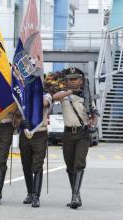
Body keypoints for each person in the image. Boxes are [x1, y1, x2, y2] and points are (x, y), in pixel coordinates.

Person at [52, 67, 98, 209]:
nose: (72, 81)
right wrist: (71, 92)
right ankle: (75, 194)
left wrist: (93, 124)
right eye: (69, 79)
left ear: (81, 81)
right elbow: (54, 97)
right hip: (67, 135)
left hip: (82, 134)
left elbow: (94, 114)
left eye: (74, 79)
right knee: (70, 166)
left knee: (79, 164)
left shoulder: (88, 96)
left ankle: (75, 196)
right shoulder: (64, 94)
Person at [16, 93, 53, 208]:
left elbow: (43, 103)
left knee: (37, 165)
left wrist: (29, 97)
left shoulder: (45, 95)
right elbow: (15, 116)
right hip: (25, 134)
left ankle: (36, 196)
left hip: (39, 133)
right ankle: (30, 193)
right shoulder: (21, 94)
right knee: (26, 165)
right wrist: (20, 123)